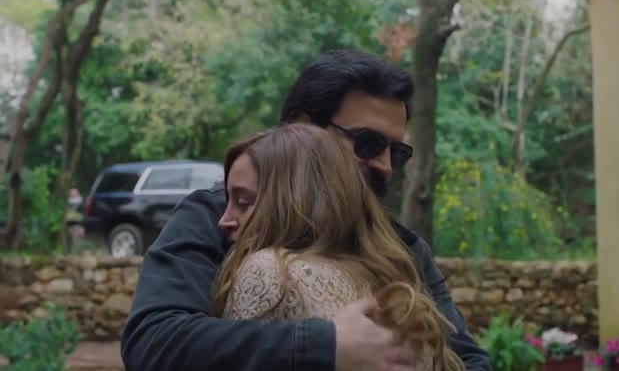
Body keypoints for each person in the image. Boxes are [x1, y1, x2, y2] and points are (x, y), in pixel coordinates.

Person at [121, 50, 492, 371]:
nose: (384, 166)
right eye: (367, 143)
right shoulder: (219, 216)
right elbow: (154, 341)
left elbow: (472, 361)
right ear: (302, 129)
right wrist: (324, 345)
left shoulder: (403, 249)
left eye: (395, 152)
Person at [214, 124, 463, 371]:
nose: (223, 220)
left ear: (294, 200)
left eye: (244, 202)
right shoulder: (390, 280)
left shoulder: (269, 269)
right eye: (228, 201)